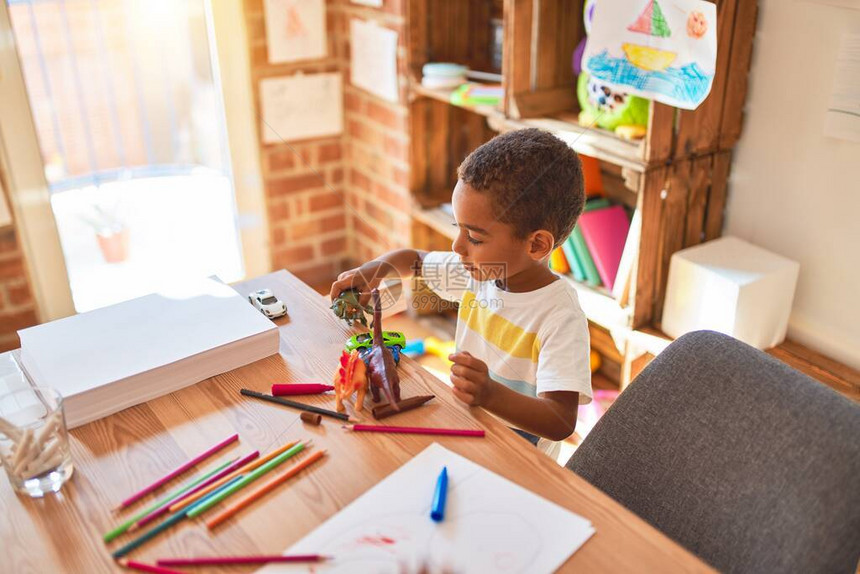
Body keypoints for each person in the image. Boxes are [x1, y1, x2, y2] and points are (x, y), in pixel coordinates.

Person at [330, 128, 591, 457]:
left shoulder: (560, 316)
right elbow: (414, 260)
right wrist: (375, 270)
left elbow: (560, 421)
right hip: (465, 428)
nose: (457, 247)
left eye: (476, 238)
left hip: (518, 462)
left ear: (536, 244)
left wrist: (491, 394)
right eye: (459, 229)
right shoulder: (480, 273)